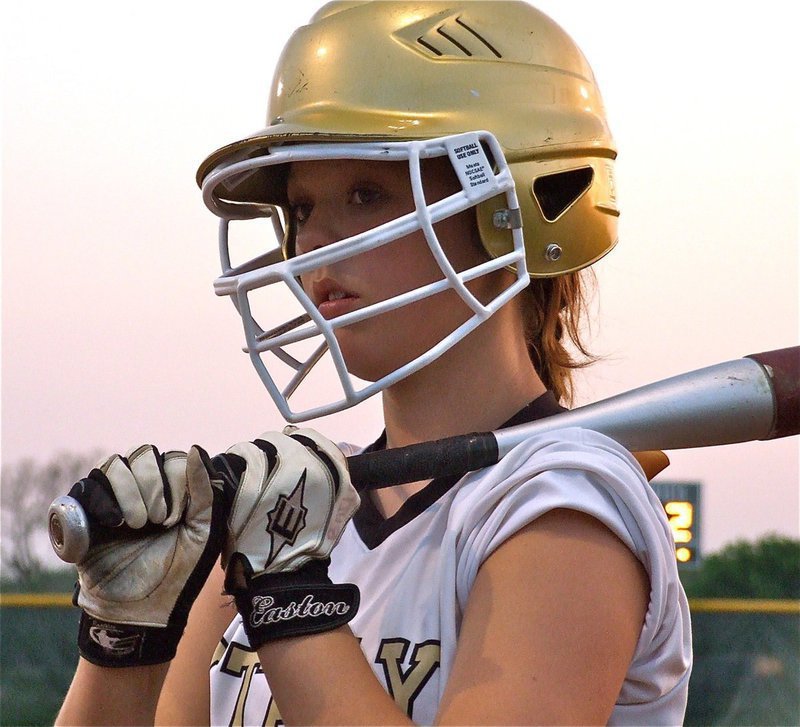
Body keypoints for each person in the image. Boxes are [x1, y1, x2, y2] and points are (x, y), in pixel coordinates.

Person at [56, 2, 692, 725]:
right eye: (300, 208)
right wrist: (125, 638)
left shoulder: (563, 504)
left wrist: (290, 597)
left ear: (510, 204)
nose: (313, 244)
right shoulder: (300, 508)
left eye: (366, 193)